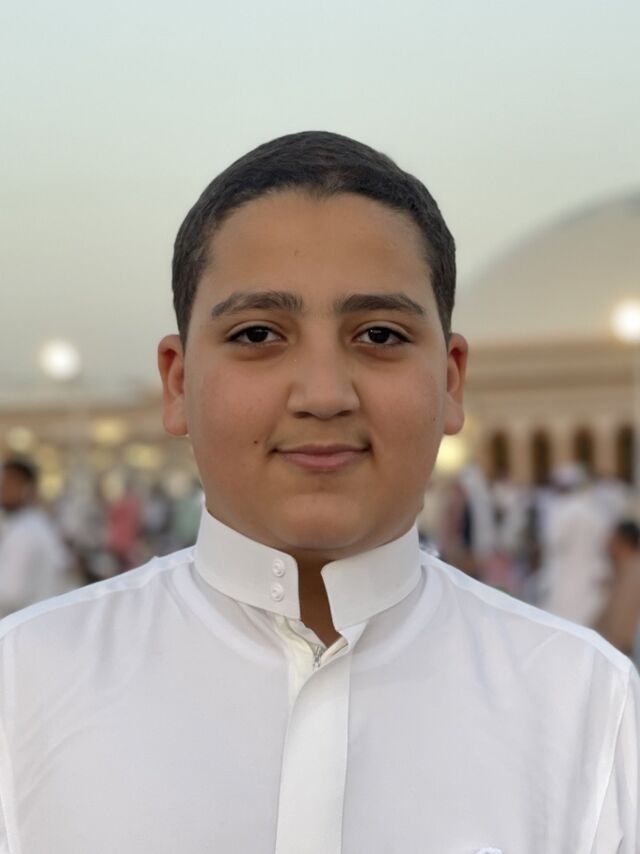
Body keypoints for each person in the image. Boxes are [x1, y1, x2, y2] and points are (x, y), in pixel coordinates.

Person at [0, 132, 637, 853]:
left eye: (380, 335)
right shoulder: (24, 688)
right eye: (258, 334)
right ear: (177, 382)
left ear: (451, 379)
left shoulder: (585, 706)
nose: (325, 394)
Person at [0, 457, 71, 617]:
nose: (2, 489)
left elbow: (11, 593)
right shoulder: (35, 522)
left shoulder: (25, 531)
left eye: (8, 483)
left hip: (28, 620)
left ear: (27, 488)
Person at [595, 519, 640, 657]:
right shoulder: (622, 570)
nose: (606, 542)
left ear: (621, 542)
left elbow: (620, 635)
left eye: (611, 537)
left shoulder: (633, 574)